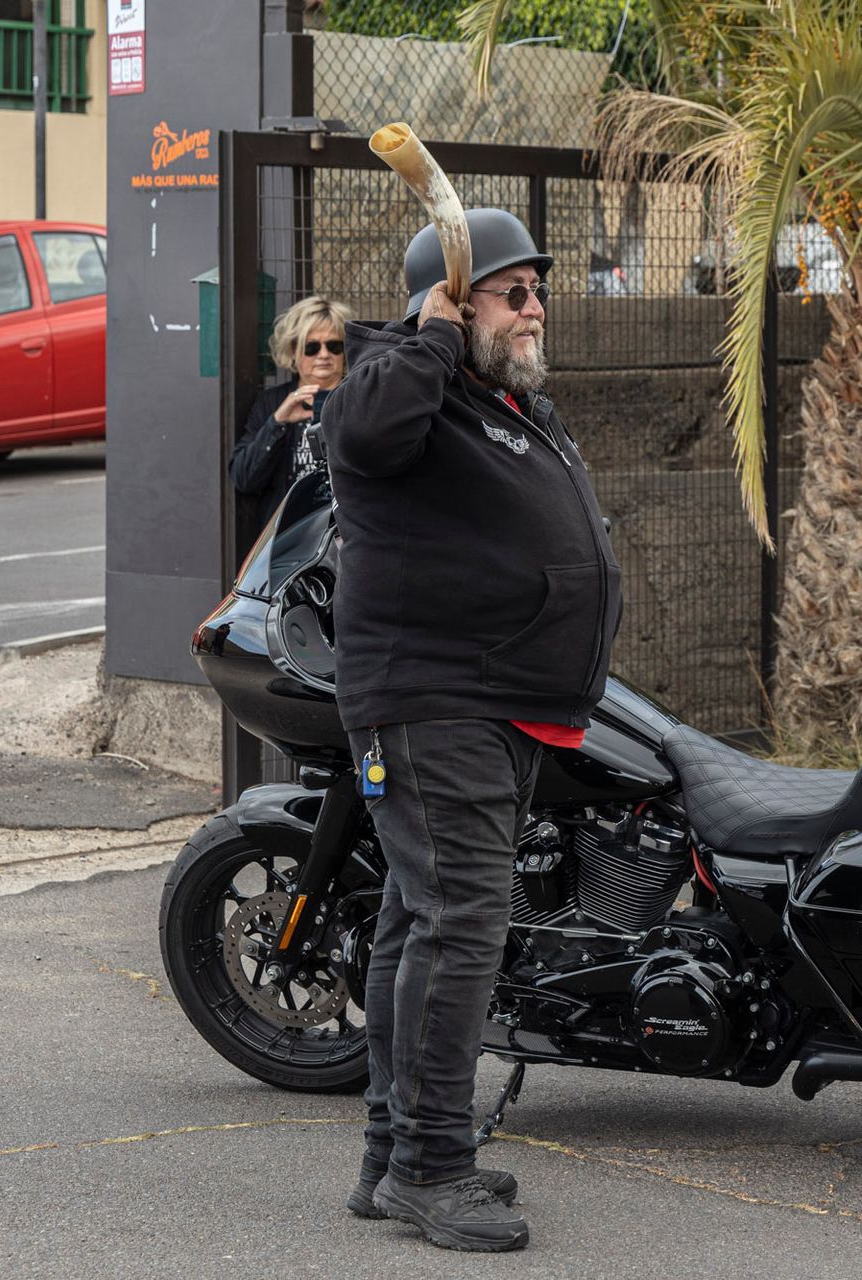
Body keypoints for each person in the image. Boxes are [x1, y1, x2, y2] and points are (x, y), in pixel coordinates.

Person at [323, 208, 622, 1253]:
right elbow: (361, 434)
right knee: (459, 924)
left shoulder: (500, 402)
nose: (534, 306)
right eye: (511, 290)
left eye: (537, 288)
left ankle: (389, 1153)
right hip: (433, 701)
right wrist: (433, 331)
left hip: (498, 706)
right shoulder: (399, 387)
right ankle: (429, 1166)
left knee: (420, 918)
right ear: (448, 302)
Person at [229, 295, 354, 518]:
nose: (324, 355)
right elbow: (243, 478)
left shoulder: (356, 395)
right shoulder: (272, 402)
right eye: (312, 347)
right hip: (291, 533)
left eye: (334, 346)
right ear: (293, 350)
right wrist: (277, 422)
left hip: (346, 529)